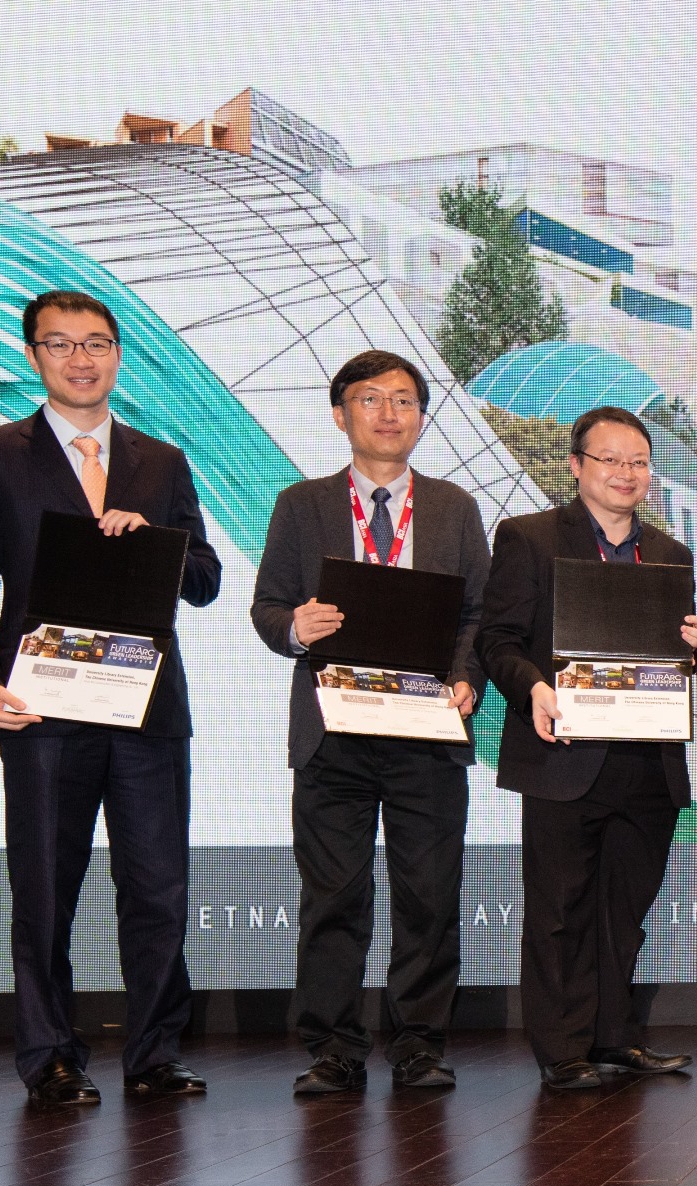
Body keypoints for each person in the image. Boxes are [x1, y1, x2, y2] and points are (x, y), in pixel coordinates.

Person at [0, 289, 222, 1105]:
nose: (80, 358)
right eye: (60, 345)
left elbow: (204, 580)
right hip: (40, 709)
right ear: (34, 357)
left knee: (157, 887)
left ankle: (156, 1052)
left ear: (117, 353)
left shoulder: (161, 461)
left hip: (145, 709)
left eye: (96, 343)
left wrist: (156, 544)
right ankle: (50, 1054)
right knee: (43, 887)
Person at [250, 350, 490, 1095]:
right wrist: (296, 625)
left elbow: (479, 614)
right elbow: (266, 607)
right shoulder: (301, 503)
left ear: (421, 417)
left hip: (426, 729)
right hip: (334, 730)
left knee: (428, 894)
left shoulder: (454, 506)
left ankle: (419, 1042)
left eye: (404, 401)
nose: (388, 413)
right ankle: (333, 1047)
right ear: (339, 413)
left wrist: (465, 677)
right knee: (334, 896)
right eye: (370, 399)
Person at [478, 406, 697, 1090]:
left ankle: (613, 1039)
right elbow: (498, 642)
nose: (625, 474)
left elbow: (668, 663)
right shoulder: (529, 538)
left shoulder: (669, 554)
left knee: (622, 915)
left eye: (637, 462)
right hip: (562, 756)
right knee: (558, 912)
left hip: (646, 763)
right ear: (575, 466)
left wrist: (690, 653)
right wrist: (534, 690)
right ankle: (562, 1051)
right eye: (609, 460)